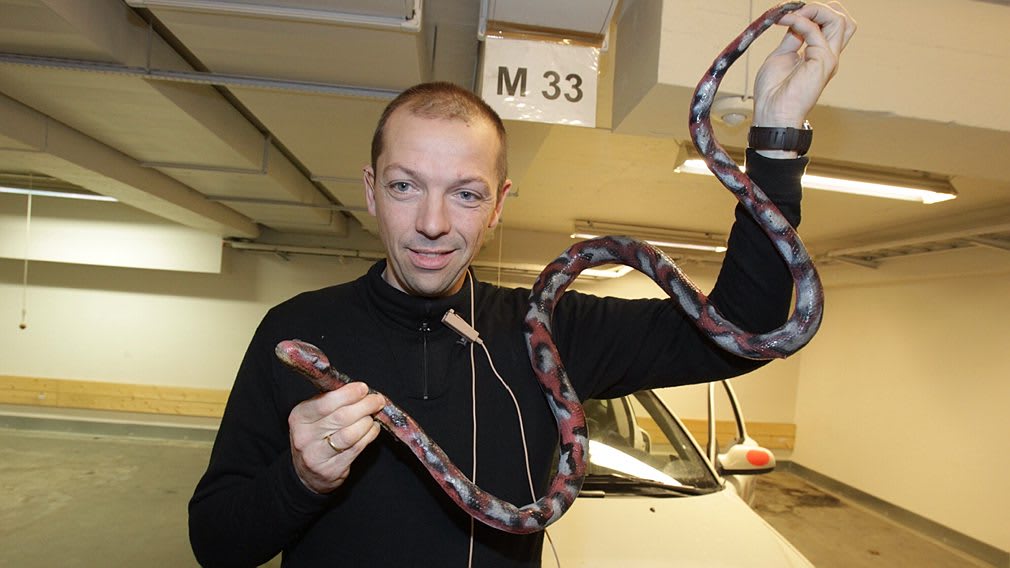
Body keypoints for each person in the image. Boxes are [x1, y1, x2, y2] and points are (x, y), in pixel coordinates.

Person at [189, 3, 856, 566]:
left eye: (466, 193)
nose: (432, 223)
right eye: (404, 186)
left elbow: (747, 331)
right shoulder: (295, 332)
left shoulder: (549, 329)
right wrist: (301, 479)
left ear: (499, 205)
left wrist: (775, 141)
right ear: (370, 190)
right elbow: (216, 542)